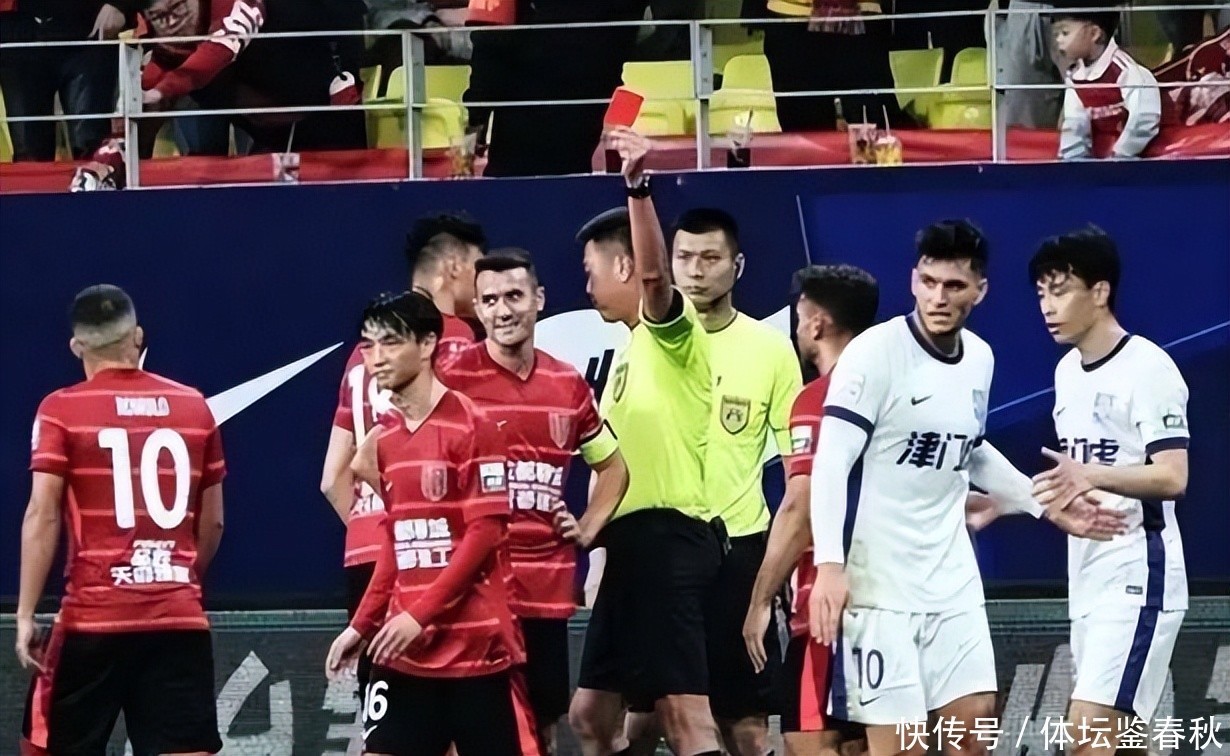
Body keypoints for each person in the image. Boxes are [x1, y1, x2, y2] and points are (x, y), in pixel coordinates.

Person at [806, 220, 1129, 756]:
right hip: (879, 589)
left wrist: (1045, 504)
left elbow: (971, 449)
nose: (938, 297)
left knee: (973, 728)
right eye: (929, 282)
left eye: (954, 286)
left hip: (952, 581)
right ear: (913, 280)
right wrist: (831, 568)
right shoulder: (874, 353)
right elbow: (831, 463)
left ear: (980, 290)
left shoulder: (979, 358)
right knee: (902, 748)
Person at [567, 126, 725, 756]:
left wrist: (637, 187)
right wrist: (598, 550)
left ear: (624, 265)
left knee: (686, 716)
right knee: (590, 716)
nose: (586, 288)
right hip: (628, 548)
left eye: (591, 272)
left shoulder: (669, 332)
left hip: (670, 540)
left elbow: (658, 279)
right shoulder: (625, 354)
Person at [621, 207, 802, 756]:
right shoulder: (646, 342)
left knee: (745, 726)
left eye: (710, 258)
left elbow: (798, 472)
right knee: (643, 722)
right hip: (663, 553)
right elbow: (619, 452)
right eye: (684, 257)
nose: (696, 271)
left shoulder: (772, 350)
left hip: (738, 553)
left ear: (737, 266)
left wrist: (783, 564)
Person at [17, 285, 226, 755]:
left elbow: (42, 515)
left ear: (77, 347)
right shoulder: (194, 406)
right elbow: (212, 524)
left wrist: (26, 614)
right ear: (138, 336)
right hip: (177, 619)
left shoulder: (61, 410)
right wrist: (174, 579)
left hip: (93, 621)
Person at [324, 291, 534, 756]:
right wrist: (361, 625)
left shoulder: (476, 426)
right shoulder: (384, 440)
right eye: (368, 346)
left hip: (474, 652)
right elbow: (397, 542)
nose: (376, 359)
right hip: (406, 654)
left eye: (390, 343)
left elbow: (485, 535)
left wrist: (418, 616)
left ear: (426, 344)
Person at [438, 248, 630, 753]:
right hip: (474, 590)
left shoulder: (567, 384)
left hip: (544, 589)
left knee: (542, 728)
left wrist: (588, 527)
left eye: (514, 296)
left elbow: (613, 467)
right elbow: (386, 454)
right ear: (477, 310)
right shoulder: (450, 380)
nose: (503, 311)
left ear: (539, 299)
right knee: (466, 730)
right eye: (490, 300)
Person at [1027, 227, 1189, 754]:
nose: (1048, 306)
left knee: (1088, 732)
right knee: (1120, 740)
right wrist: (1015, 501)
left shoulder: (1148, 367)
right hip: (1087, 579)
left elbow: (1173, 476)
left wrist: (1092, 475)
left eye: (1060, 291)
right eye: (1042, 293)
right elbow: (1072, 477)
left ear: (1100, 292)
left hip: (1139, 574)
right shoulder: (1066, 373)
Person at [320, 211, 485, 712]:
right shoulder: (451, 337)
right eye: (478, 268)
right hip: (429, 558)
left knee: (383, 715)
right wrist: (412, 527)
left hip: (364, 551)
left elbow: (333, 477)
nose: (484, 287)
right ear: (454, 267)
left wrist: (380, 523)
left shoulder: (361, 354)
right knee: (447, 712)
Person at [743, 264, 879, 756]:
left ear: (817, 322)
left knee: (808, 739)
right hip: (892, 604)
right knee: (867, 741)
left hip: (828, 607)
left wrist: (760, 600)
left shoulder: (820, 398)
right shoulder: (891, 393)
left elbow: (799, 507)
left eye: (799, 317)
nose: (797, 328)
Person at [1053, 4, 1163, 160]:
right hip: (1099, 157)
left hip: (1134, 155)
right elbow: (1074, 121)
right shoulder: (1075, 76)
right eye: (1056, 34)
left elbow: (1145, 117)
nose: (1058, 40)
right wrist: (1075, 157)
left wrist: (1122, 153)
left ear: (1094, 33)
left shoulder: (1125, 70)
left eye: (1065, 33)